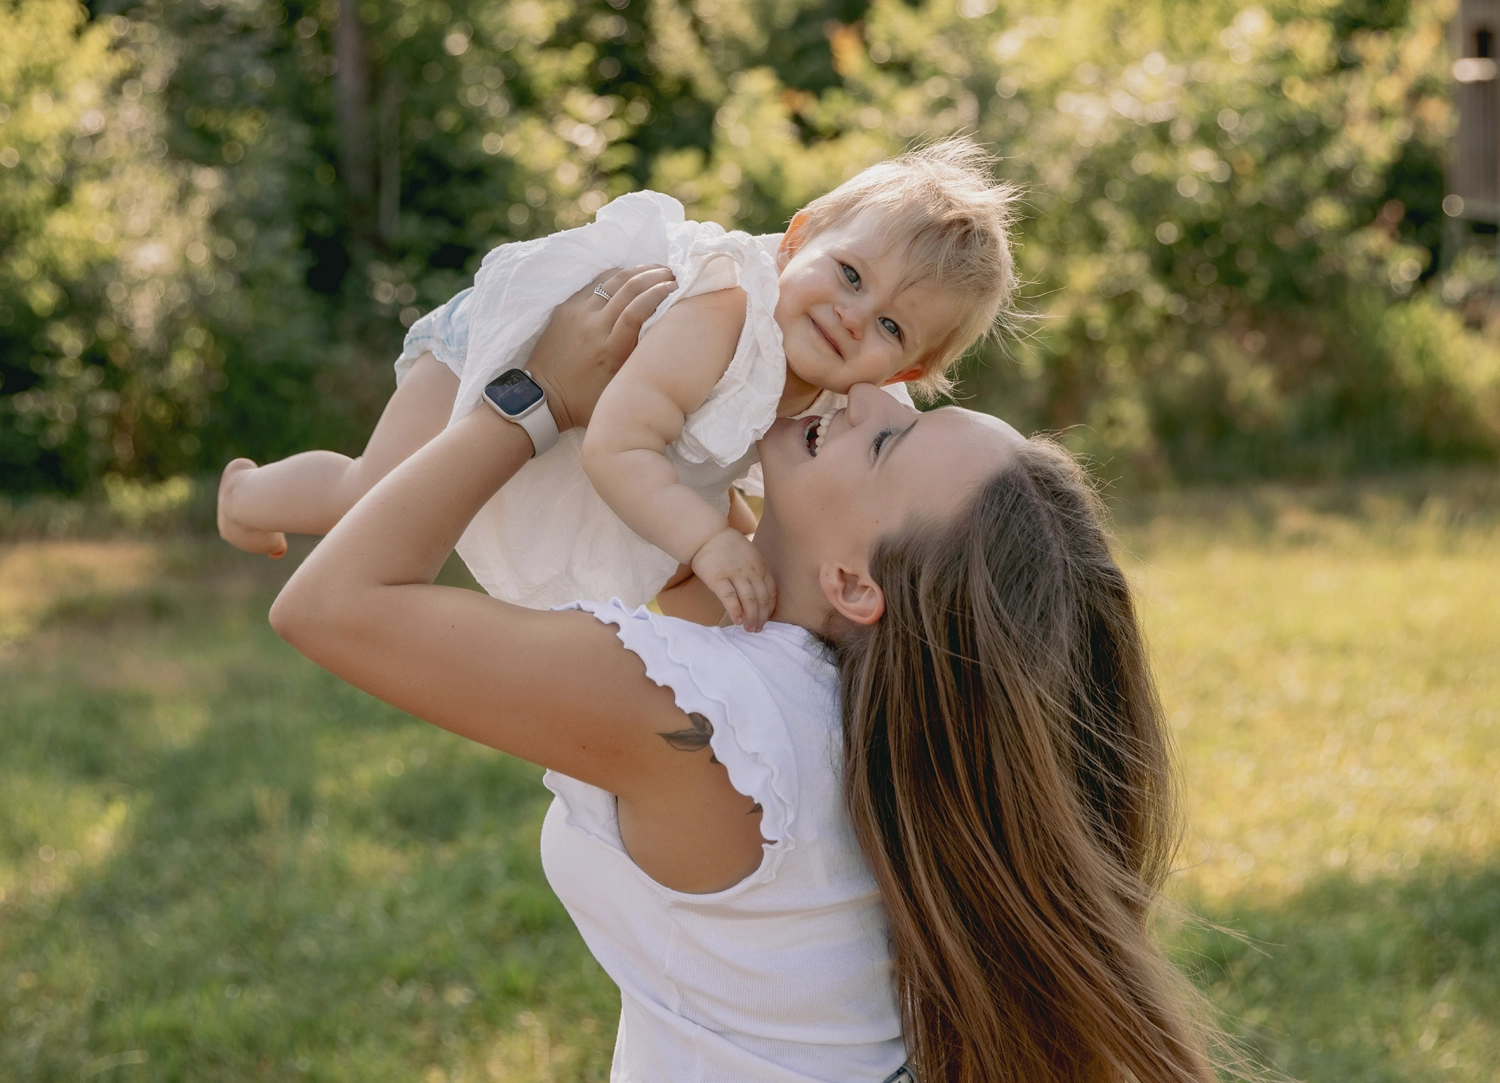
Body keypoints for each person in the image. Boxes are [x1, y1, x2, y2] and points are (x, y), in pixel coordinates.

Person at [268, 271, 1218, 1083]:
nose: (879, 394)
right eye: (911, 404)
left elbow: (332, 605)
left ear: (852, 584)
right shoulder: (859, 699)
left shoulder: (720, 720)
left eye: (889, 442)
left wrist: (533, 397)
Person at [221, 140, 1018, 630]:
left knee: (686, 558)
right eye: (849, 274)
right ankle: (247, 497)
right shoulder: (728, 308)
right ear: (798, 238)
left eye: (890, 327)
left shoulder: (851, 403)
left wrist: (729, 542)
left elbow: (759, 481)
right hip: (506, 357)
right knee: (370, 494)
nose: (853, 315)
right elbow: (619, 442)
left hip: (618, 438)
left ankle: (761, 654)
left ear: (906, 371)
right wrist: (709, 539)